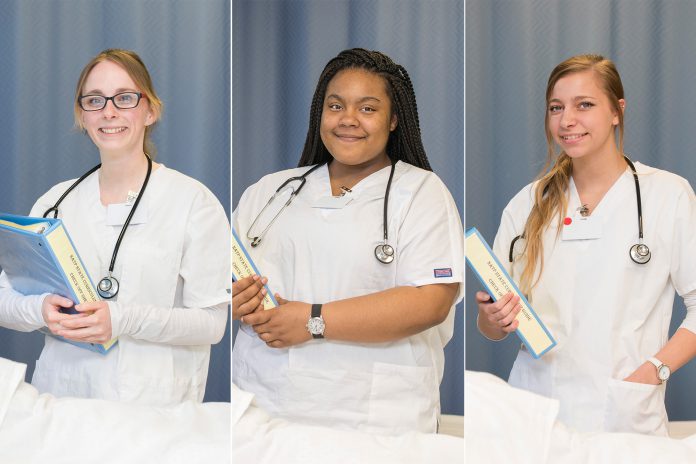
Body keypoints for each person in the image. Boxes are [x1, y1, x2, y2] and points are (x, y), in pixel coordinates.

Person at [232, 48, 463, 435]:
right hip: (266, 408)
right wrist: (236, 298)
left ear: (393, 120)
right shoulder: (269, 192)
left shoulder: (421, 192)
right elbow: (230, 278)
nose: (348, 120)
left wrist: (312, 320)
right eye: (335, 105)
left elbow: (430, 302)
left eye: (368, 109)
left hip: (374, 419)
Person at [476, 54, 696, 435]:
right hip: (534, 411)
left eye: (585, 105)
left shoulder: (667, 195)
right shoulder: (527, 203)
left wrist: (652, 372)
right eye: (556, 108)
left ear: (617, 111)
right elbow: (494, 325)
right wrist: (491, 319)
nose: (567, 121)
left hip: (622, 415)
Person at [0, 49, 230, 406]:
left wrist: (122, 319)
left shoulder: (192, 202)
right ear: (82, 115)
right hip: (62, 401)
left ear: (150, 110)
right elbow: (5, 298)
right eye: (95, 100)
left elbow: (212, 325)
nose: (109, 111)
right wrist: (40, 309)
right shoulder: (54, 203)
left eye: (124, 98)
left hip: (155, 408)